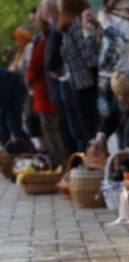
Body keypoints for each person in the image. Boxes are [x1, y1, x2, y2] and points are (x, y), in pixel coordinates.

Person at [27, 8, 69, 165]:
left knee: (53, 131)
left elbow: (36, 65)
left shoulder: (46, 39)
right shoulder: (46, 38)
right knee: (54, 130)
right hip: (47, 91)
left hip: (45, 92)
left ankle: (62, 162)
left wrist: (29, 80)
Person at [57, 0, 100, 149]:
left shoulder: (69, 25)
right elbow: (83, 54)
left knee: (87, 126)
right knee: (88, 126)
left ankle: (94, 157)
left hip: (80, 82)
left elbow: (79, 54)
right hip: (81, 81)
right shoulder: (71, 25)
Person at [0, 68, 28, 144]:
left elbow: (5, 90)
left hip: (15, 91)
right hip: (6, 95)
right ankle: (12, 152)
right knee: (3, 129)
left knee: (14, 125)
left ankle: (30, 150)